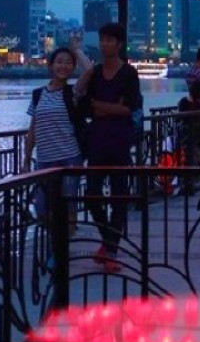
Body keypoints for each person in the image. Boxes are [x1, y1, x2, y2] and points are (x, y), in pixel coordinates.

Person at [78, 23, 141, 273]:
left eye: (109, 40)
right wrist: (108, 106)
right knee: (91, 195)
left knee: (119, 195)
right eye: (102, 39)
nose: (104, 44)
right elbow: (84, 103)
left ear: (119, 44)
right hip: (97, 138)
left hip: (119, 137)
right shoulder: (95, 73)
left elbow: (128, 109)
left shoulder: (128, 74)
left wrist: (100, 106)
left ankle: (111, 249)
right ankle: (108, 241)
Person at [22, 40, 92, 237]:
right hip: (45, 159)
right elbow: (33, 129)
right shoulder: (38, 95)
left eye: (68, 62)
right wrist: (26, 158)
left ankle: (63, 256)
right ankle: (55, 246)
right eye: (59, 62)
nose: (64, 66)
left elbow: (89, 71)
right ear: (50, 65)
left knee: (68, 207)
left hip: (70, 157)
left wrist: (76, 49)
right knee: (42, 208)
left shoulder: (73, 92)